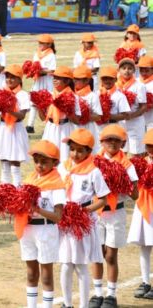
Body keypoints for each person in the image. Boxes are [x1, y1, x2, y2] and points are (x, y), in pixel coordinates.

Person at [58, 128, 109, 308]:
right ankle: (67, 303)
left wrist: (84, 211)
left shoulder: (93, 172)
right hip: (65, 220)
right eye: (72, 149)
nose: (75, 153)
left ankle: (83, 305)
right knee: (65, 264)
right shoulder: (63, 167)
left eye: (81, 150)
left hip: (82, 221)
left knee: (80, 265)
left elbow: (103, 199)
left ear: (89, 151)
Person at [88, 125, 139, 307]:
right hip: (97, 213)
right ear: (101, 141)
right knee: (97, 253)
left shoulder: (127, 164)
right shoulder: (94, 161)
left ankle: (111, 294)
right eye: (109, 139)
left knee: (110, 255)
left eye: (116, 140)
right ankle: (97, 292)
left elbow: (135, 195)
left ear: (123, 143)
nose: (112, 143)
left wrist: (122, 181)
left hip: (116, 212)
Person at [21, 140, 66, 308]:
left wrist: (38, 210)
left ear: (55, 162)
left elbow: (58, 217)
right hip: (28, 229)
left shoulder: (57, 185)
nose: (39, 165)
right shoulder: (29, 180)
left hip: (46, 230)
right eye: (36, 161)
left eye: (44, 161)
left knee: (46, 275)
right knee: (31, 273)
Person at [0, 64, 30, 187]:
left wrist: (8, 109)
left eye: (13, 77)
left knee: (14, 159)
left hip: (16, 128)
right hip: (3, 127)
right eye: (7, 77)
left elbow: (21, 116)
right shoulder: (2, 93)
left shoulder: (23, 95)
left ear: (19, 79)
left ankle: (17, 185)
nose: (9, 80)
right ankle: (4, 185)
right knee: (4, 158)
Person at [128, 129, 153, 299]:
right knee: (144, 245)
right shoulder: (141, 162)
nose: (151, 149)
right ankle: (145, 282)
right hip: (143, 206)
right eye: (149, 145)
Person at [26, 34, 57, 134]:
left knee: (47, 103)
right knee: (34, 102)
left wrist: (40, 71)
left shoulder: (51, 55)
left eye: (42, 43)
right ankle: (30, 125)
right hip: (38, 80)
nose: (40, 44)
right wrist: (31, 71)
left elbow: (52, 70)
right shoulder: (37, 53)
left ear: (49, 44)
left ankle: (48, 124)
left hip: (46, 81)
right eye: (39, 42)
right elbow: (34, 66)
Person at [117, 58, 147, 155]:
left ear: (134, 71)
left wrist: (131, 116)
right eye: (124, 68)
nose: (126, 71)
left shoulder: (139, 86)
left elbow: (143, 107)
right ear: (119, 70)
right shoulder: (115, 85)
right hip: (120, 122)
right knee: (121, 151)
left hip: (135, 122)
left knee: (136, 152)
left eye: (130, 68)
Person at [74, 66, 103, 153]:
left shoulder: (92, 96)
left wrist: (83, 116)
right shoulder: (71, 94)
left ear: (87, 80)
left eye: (78, 79)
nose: (75, 81)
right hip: (74, 127)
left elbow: (98, 116)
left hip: (88, 128)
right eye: (74, 78)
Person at [139, 56, 153, 130]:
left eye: (147, 71)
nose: (144, 73)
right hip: (138, 119)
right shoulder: (136, 81)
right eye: (141, 70)